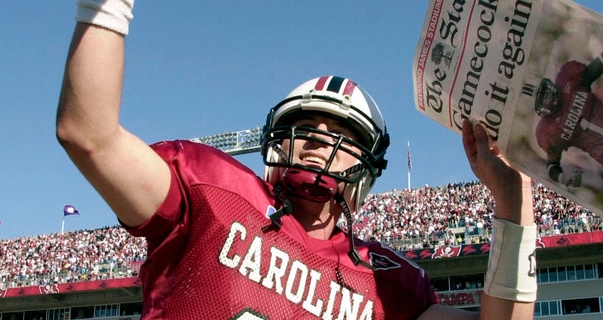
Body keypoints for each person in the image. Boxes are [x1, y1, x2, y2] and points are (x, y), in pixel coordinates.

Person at [57, 1, 537, 319]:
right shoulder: (211, 192)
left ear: (366, 168)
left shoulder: (390, 282)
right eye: (306, 126)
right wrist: (109, 7)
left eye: (343, 134)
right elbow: (89, 135)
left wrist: (514, 198)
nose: (319, 139)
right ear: (275, 141)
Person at [533, 52, 603, 188]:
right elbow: (552, 165)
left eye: (548, 93)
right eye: (545, 99)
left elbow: (596, 67)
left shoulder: (570, 83)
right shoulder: (549, 131)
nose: (550, 97)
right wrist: (562, 177)